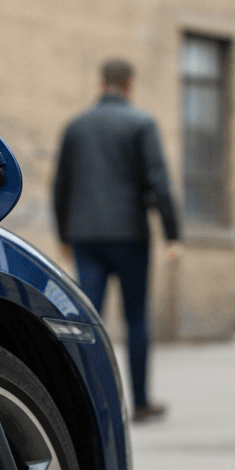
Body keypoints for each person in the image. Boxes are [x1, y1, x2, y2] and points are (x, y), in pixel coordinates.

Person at [53, 58, 181, 421]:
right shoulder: (141, 123)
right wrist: (172, 233)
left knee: (87, 318)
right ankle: (139, 402)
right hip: (129, 235)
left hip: (85, 236)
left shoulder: (76, 126)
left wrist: (64, 232)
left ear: (103, 81)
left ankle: (82, 402)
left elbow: (61, 184)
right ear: (128, 85)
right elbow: (159, 181)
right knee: (136, 316)